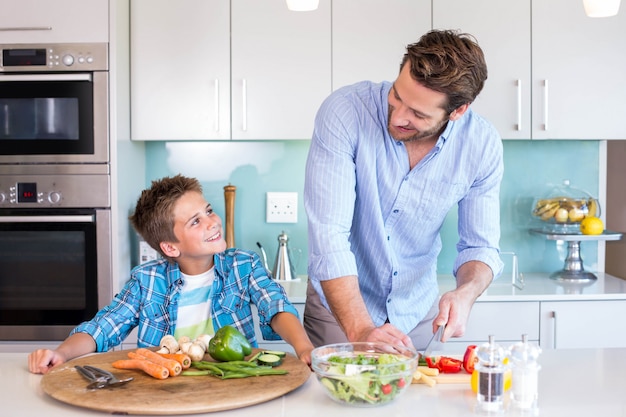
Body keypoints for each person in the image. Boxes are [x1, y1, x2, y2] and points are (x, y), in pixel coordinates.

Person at [303, 29, 504, 350]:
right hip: (340, 312)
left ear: (458, 111)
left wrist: (465, 292)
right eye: (397, 96)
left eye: (418, 114)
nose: (397, 117)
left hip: (416, 313)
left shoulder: (480, 144)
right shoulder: (345, 111)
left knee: (418, 398)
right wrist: (359, 329)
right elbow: (328, 236)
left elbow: (480, 247)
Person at [28, 175, 314, 374]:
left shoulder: (243, 265)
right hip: (166, 390)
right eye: (195, 221)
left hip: (234, 385)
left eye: (209, 211)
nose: (213, 222)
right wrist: (62, 354)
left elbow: (275, 306)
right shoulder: (146, 281)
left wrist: (303, 348)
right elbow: (104, 327)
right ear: (170, 246)